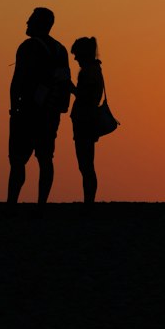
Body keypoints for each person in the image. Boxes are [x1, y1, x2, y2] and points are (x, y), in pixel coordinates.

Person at [7, 7, 71, 204]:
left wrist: (14, 108)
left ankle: (12, 204)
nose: (26, 23)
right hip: (50, 113)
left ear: (39, 23)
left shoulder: (27, 47)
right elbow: (65, 80)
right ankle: (41, 205)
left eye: (30, 20)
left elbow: (17, 80)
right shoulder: (61, 50)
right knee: (45, 159)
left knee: (18, 160)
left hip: (26, 112)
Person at [69, 37, 105, 204]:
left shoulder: (88, 72)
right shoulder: (95, 70)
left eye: (76, 54)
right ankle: (88, 201)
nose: (75, 58)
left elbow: (84, 96)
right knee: (86, 164)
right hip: (88, 120)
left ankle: (88, 203)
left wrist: (70, 87)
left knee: (85, 165)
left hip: (85, 120)